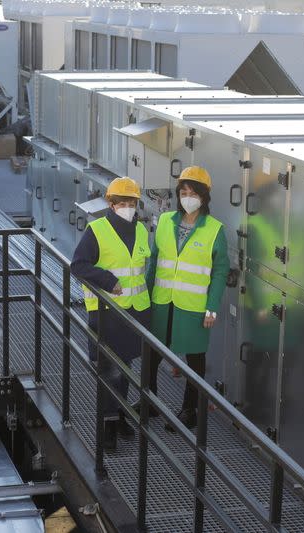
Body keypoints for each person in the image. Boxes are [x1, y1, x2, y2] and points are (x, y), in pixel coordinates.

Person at [144, 166, 230, 430]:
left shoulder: (214, 229)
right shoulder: (165, 220)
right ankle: (149, 400)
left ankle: (190, 409)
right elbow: (155, 261)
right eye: (183, 192)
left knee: (194, 360)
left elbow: (220, 270)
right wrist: (145, 298)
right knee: (152, 353)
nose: (187, 197)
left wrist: (212, 307)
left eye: (193, 192)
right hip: (161, 300)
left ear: (204, 197)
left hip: (193, 306)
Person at [71, 176, 152, 451]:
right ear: (111, 203)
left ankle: (119, 419)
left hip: (135, 313)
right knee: (110, 372)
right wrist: (107, 281)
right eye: (122, 201)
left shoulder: (141, 230)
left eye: (132, 201)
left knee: (126, 370)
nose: (128, 206)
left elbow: (141, 270)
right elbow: (78, 266)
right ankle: (106, 427)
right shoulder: (97, 230)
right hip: (107, 313)